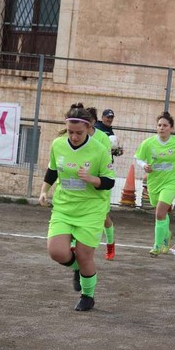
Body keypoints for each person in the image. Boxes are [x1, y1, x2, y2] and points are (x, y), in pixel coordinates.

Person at [39, 105, 115, 311]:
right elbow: (53, 170)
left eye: (78, 133)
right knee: (56, 252)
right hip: (64, 207)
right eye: (70, 132)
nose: (74, 136)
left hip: (91, 210)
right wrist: (44, 190)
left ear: (89, 128)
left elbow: (109, 182)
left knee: (84, 255)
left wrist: (92, 179)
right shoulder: (57, 145)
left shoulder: (99, 150)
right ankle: (78, 269)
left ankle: (87, 296)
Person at [135, 112, 175, 256]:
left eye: (165, 125)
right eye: (159, 125)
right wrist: (144, 165)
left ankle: (156, 246)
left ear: (171, 128)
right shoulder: (148, 143)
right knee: (161, 213)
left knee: (159, 213)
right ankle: (167, 236)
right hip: (154, 182)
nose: (161, 128)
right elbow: (138, 158)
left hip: (171, 181)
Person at [86, 107, 117, 260]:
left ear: (93, 121)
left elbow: (106, 160)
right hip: (84, 181)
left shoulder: (102, 137)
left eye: (87, 120)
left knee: (103, 216)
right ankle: (73, 244)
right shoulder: (78, 136)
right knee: (80, 211)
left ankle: (110, 246)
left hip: (100, 180)